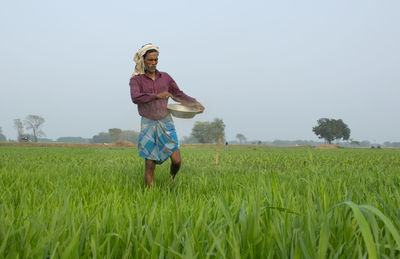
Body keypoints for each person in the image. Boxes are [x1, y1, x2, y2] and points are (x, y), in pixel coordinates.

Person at [129, 44, 204, 187]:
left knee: (177, 160)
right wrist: (157, 96)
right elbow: (135, 98)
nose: (153, 63)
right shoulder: (136, 80)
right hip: (148, 123)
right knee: (150, 163)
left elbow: (178, 94)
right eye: (150, 60)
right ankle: (150, 195)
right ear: (143, 60)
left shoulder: (165, 77)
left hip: (166, 121)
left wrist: (194, 103)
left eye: (156, 60)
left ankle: (172, 178)